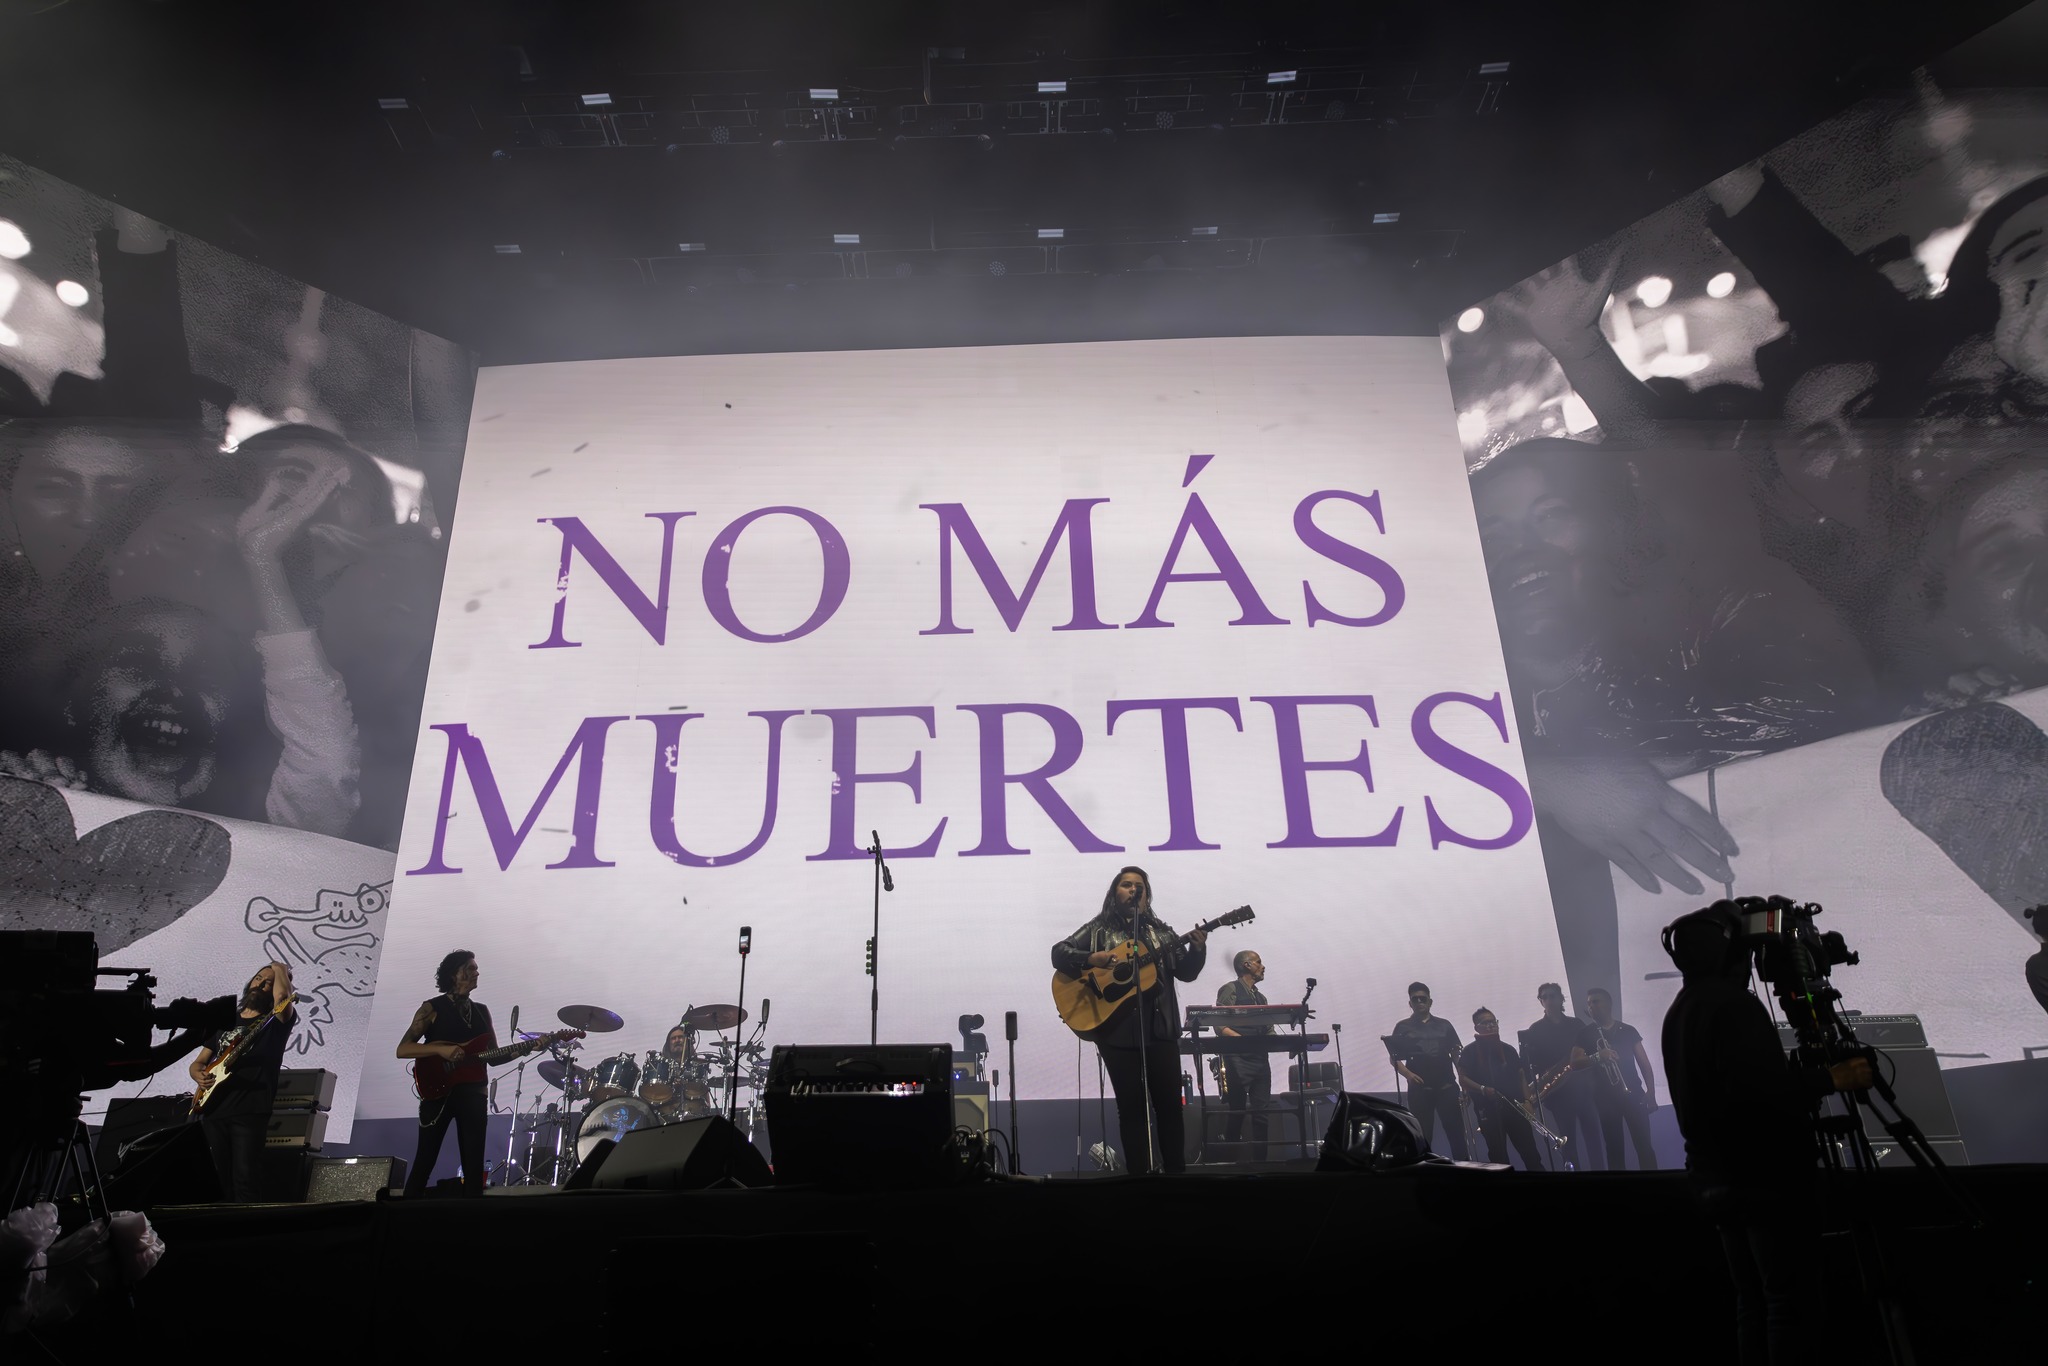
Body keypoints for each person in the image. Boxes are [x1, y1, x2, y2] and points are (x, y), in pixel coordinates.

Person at [1661, 903, 1874, 1363]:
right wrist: (1832, 1079)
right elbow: (1761, 1091)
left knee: (1754, 1303)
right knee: (1788, 1306)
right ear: (1729, 953)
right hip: (1764, 1179)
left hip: (1716, 1179)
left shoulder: (1682, 1008)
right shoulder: (1733, 1005)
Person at [1051, 866, 1207, 1175]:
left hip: (1160, 1031)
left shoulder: (1161, 933)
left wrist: (1198, 950)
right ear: (1114, 894)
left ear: (1147, 897)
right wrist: (1091, 958)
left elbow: (1186, 973)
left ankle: (1176, 1175)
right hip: (1117, 1033)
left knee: (1169, 1108)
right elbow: (1059, 953)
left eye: (1140, 886)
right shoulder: (1097, 929)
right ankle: (1138, 1178)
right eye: (1126, 885)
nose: (1133, 890)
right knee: (1132, 1110)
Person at [188, 960, 296, 1202]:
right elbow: (199, 1062)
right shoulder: (227, 1020)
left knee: (245, 1180)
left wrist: (281, 969)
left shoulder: (276, 1021)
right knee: (215, 1179)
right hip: (213, 1108)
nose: (262, 984)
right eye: (259, 978)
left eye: (269, 983)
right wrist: (197, 1074)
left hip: (249, 1110)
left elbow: (282, 999)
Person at [397, 950, 497, 1197]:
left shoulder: (482, 1011)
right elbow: (403, 1049)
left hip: (474, 1093)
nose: (476, 973)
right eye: (471, 968)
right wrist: (440, 1051)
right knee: (425, 1160)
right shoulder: (432, 1007)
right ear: (455, 974)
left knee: (474, 1167)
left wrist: (528, 1048)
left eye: (476, 968)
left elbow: (495, 1057)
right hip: (438, 1092)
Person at [1573, 987, 1660, 1171]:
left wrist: (1651, 1093)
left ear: (1608, 1004)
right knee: (1614, 1149)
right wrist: (1598, 1056)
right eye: (1589, 1003)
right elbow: (1574, 1062)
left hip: (1633, 1095)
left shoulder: (1628, 1030)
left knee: (1644, 1146)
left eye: (1596, 1001)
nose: (1591, 1006)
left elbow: (1644, 1064)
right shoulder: (1586, 1033)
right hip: (1604, 1099)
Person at [1521, 982, 1606, 1170]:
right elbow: (1529, 1067)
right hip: (1558, 1096)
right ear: (1541, 1001)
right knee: (1567, 1142)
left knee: (1594, 1140)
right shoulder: (1535, 1030)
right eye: (1545, 997)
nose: (1550, 1000)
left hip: (1584, 1091)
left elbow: (1591, 1055)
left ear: (1561, 998)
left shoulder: (1577, 1024)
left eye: (1553, 996)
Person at [1457, 1007, 1545, 1170]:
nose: (1491, 1026)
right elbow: (1463, 1079)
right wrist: (1483, 1089)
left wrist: (1527, 1101)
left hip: (1515, 1108)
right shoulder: (1469, 1051)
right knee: (1498, 1157)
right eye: (1485, 1023)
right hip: (1488, 1111)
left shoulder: (1508, 1049)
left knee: (1530, 1153)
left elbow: (1521, 1076)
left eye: (1493, 1022)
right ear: (1476, 1027)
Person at [1389, 982, 1467, 1161]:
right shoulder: (1403, 1026)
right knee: (1422, 1137)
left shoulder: (1445, 1025)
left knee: (1456, 1135)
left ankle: (1464, 1173)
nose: (1419, 1002)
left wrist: (1464, 1082)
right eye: (1415, 999)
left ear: (1430, 1001)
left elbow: (1456, 1054)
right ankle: (1425, 1175)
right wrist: (1408, 1075)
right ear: (1410, 1003)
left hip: (1447, 1086)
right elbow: (1394, 1058)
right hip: (1420, 1089)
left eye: (1422, 998)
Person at [1213, 949, 1272, 1162]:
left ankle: (1261, 1162)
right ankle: (1231, 1162)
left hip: (1260, 1060)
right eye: (1259, 961)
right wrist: (1242, 1041)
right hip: (1237, 1059)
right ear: (1247, 965)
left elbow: (1269, 1028)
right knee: (1237, 1110)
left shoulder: (1261, 997)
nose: (1263, 966)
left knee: (1262, 1113)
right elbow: (1219, 1026)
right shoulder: (1230, 990)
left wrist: (1282, 1043)